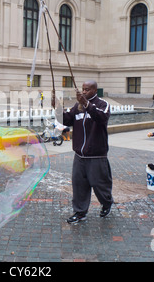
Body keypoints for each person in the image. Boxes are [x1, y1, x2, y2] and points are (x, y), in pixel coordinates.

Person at [58, 80, 113, 224]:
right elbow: (66, 120)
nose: (84, 92)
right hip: (79, 155)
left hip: (96, 155)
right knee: (79, 185)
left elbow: (101, 117)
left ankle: (106, 203)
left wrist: (87, 104)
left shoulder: (103, 104)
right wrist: (57, 108)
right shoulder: (78, 105)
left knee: (99, 184)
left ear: (95, 90)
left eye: (87, 89)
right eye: (83, 89)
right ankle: (80, 212)